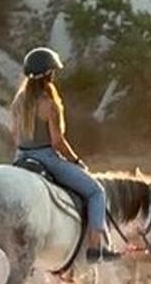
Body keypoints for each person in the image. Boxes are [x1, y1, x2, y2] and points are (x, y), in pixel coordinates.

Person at [11, 46, 121, 262]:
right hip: (46, 158)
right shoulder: (48, 104)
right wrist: (75, 160)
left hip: (20, 158)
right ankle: (95, 249)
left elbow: (14, 136)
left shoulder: (18, 102)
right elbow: (57, 141)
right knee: (96, 192)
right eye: (53, 72)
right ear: (48, 74)